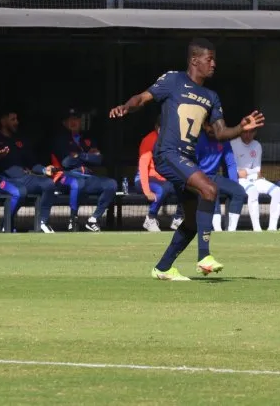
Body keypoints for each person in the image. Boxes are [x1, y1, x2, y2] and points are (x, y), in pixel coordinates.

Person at [109, 37, 264, 281]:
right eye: (209, 59)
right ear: (195, 60)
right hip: (168, 153)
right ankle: (204, 257)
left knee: (192, 222)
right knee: (209, 188)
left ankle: (163, 268)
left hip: (187, 158)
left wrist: (241, 128)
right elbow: (142, 98)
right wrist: (126, 107)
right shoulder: (173, 80)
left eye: (214, 59)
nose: (214, 64)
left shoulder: (211, 97)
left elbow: (221, 133)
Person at [0, 110, 57, 233]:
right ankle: (5, 226)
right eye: (12, 119)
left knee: (49, 184)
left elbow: (32, 164)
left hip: (23, 178)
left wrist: (45, 170)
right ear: (3, 121)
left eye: (17, 119)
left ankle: (42, 222)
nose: (16, 122)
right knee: (19, 192)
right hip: (1, 180)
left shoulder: (20, 140)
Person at [50, 108, 117, 232]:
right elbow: (66, 162)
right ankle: (73, 219)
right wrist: (87, 155)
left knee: (111, 184)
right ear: (64, 123)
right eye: (70, 120)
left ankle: (93, 219)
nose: (73, 122)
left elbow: (99, 159)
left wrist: (79, 155)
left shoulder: (88, 139)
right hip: (66, 177)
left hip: (87, 176)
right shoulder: (60, 139)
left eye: (76, 119)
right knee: (77, 183)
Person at [231, 128, 280, 231]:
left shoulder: (257, 145)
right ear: (240, 131)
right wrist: (242, 172)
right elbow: (235, 170)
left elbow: (257, 169)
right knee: (253, 191)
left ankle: (272, 228)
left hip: (254, 178)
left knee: (277, 191)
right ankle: (257, 228)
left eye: (251, 132)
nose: (248, 135)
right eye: (245, 132)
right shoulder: (233, 144)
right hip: (239, 179)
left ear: (255, 133)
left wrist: (246, 172)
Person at [135, 116, 184, 232]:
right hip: (145, 179)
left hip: (164, 179)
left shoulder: (171, 140)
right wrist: (147, 191)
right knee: (163, 189)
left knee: (186, 186)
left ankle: (178, 218)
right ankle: (150, 218)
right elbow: (143, 167)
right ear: (157, 127)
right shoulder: (149, 139)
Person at [197, 121, 246, 232]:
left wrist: (234, 183)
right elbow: (192, 164)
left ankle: (231, 230)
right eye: (210, 126)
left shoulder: (224, 140)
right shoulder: (198, 139)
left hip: (214, 176)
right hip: (198, 177)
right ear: (204, 125)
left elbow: (231, 163)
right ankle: (217, 229)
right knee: (212, 191)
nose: (213, 130)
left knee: (239, 191)